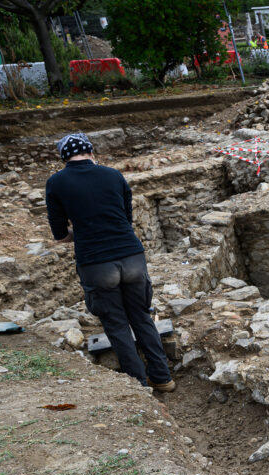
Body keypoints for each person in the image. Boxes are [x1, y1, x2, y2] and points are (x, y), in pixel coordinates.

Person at [45, 133, 175, 393]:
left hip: (97, 264)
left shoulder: (56, 182)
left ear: (64, 158)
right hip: (131, 256)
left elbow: (59, 235)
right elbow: (125, 219)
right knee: (141, 316)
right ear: (91, 152)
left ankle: (139, 385)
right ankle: (163, 379)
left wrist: (83, 232)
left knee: (116, 325)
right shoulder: (114, 175)